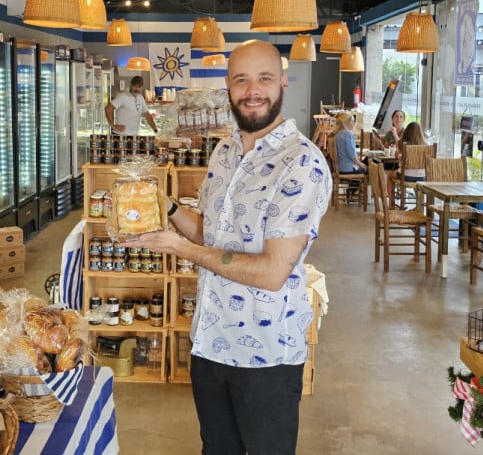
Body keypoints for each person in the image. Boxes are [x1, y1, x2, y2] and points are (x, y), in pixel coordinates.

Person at [123, 39, 331, 455]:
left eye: (264, 78)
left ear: (283, 83)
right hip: (210, 339)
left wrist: (181, 250)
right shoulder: (224, 151)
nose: (253, 91)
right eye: (241, 80)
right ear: (228, 87)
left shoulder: (302, 163)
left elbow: (272, 272)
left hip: (266, 354)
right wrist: (164, 206)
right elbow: (209, 234)